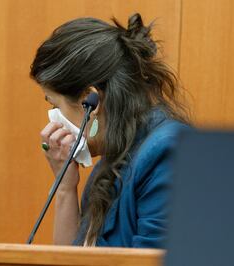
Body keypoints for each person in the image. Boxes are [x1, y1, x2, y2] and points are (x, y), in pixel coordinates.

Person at [30, 13, 189, 248]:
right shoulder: (114, 155)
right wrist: (65, 186)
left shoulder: (168, 151)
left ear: (89, 101)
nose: (53, 121)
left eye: (55, 105)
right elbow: (67, 261)